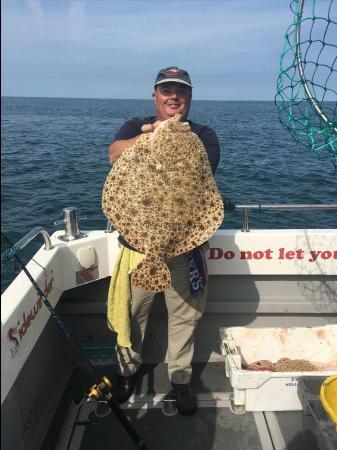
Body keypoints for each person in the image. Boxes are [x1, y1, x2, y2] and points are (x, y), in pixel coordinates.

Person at [108, 66, 220, 415]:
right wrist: (149, 136)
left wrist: (169, 137)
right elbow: (114, 156)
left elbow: (202, 174)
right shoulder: (135, 127)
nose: (174, 96)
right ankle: (127, 373)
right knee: (131, 314)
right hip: (138, 248)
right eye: (167, 90)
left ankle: (181, 381)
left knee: (185, 318)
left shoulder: (203, 134)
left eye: (181, 91)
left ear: (189, 98)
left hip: (184, 249)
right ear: (155, 96)